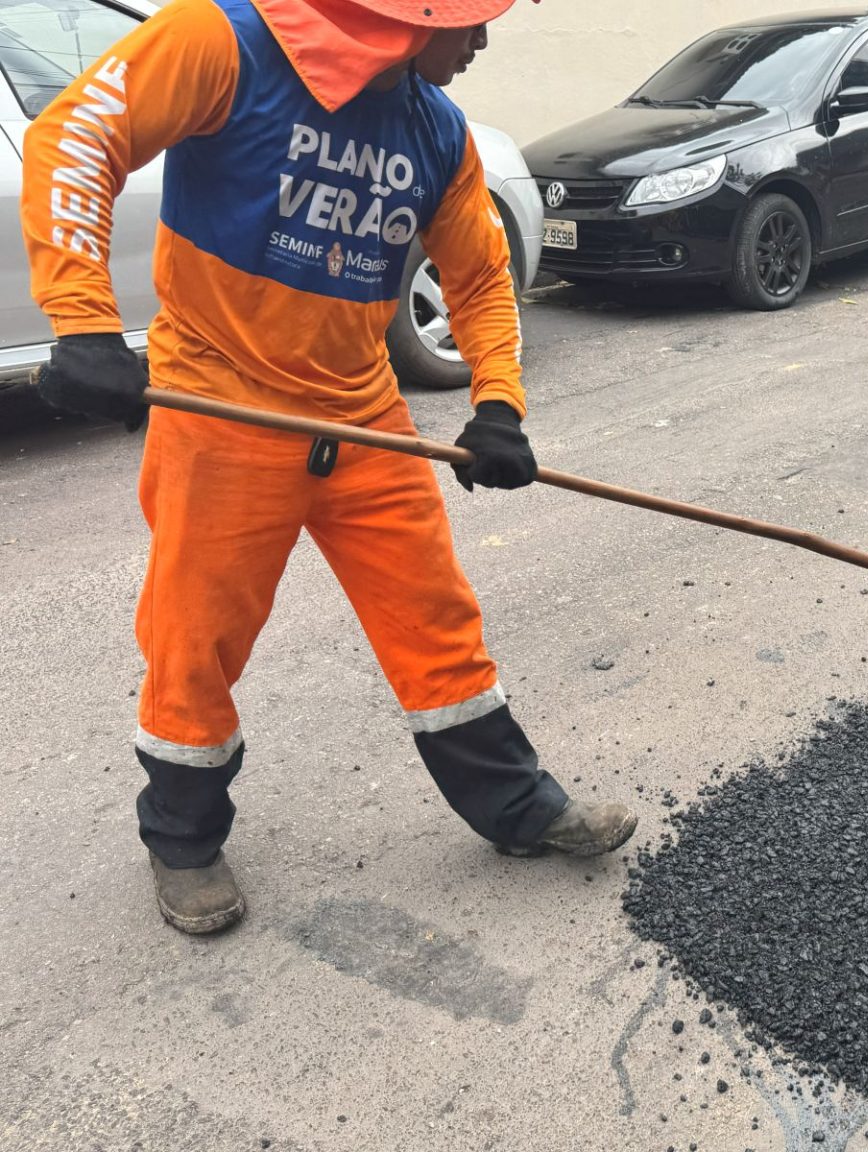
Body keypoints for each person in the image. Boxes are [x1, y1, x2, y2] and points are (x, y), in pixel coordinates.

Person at [21, 0, 637, 936]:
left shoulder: (439, 132)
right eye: (471, 20)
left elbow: (474, 274)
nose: (481, 40)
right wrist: (82, 319)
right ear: (411, 12)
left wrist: (499, 404)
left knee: (434, 616)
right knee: (196, 638)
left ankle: (518, 810)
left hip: (363, 415)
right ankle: (182, 842)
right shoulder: (222, 41)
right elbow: (76, 135)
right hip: (222, 407)